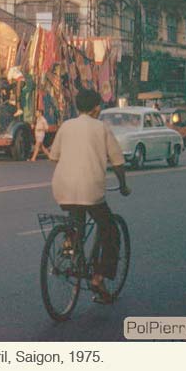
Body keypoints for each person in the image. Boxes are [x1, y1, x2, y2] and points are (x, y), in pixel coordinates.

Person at [48, 88, 130, 304]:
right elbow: (118, 162)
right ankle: (98, 278)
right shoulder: (101, 128)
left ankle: (70, 243)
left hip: (63, 187)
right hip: (90, 189)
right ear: (96, 108)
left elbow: (54, 157)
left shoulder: (66, 126)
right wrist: (123, 186)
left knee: (77, 219)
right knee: (110, 230)